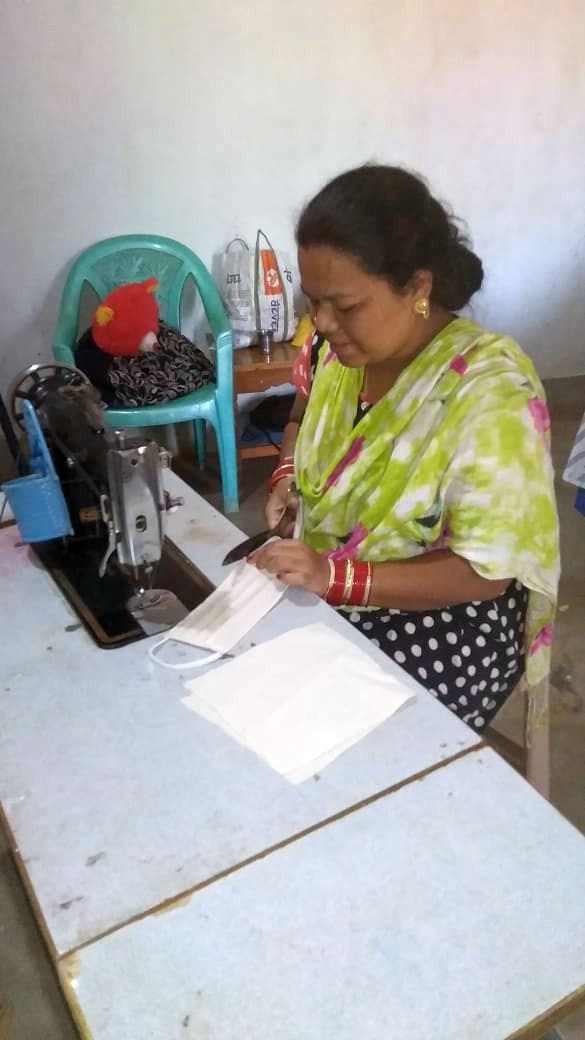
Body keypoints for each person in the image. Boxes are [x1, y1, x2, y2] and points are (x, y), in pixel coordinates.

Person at [251, 165, 559, 732]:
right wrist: (290, 475)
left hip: (451, 619)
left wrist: (334, 578)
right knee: (246, 682)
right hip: (330, 575)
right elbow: (300, 411)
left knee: (320, 734)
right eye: (313, 301)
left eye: (344, 306)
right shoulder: (334, 353)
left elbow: (483, 572)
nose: (322, 323)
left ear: (417, 288)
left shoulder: (488, 387)